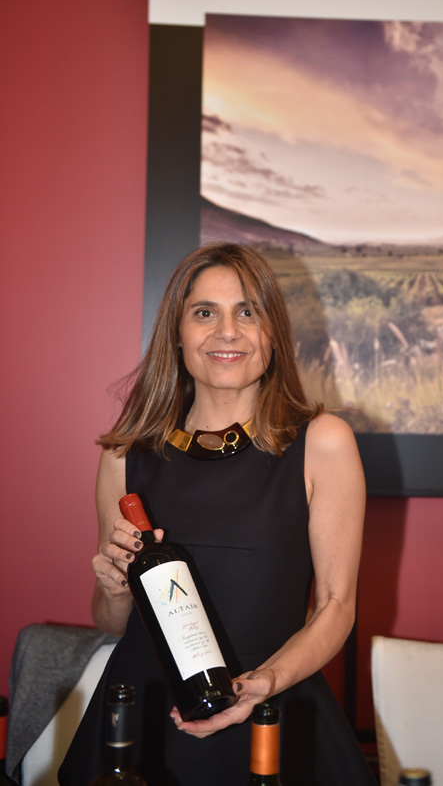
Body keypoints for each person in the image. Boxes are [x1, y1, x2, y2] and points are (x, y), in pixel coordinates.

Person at [59, 243, 376, 785]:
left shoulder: (322, 443)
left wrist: (265, 682)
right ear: (178, 333)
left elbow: (336, 607)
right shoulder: (123, 456)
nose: (227, 331)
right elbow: (111, 622)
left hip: (272, 708)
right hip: (146, 722)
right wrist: (114, 590)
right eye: (205, 312)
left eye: (247, 312)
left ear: (272, 333)